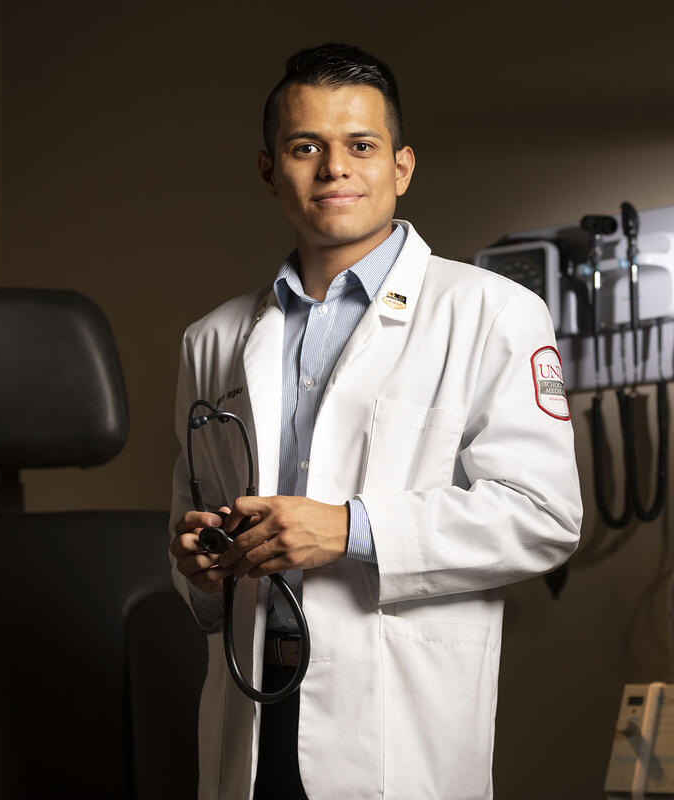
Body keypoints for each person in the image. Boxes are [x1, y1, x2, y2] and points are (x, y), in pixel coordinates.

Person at [167, 43, 582, 800]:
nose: (335, 168)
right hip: (250, 710)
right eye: (305, 147)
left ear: (401, 166)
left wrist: (350, 529)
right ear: (270, 171)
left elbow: (544, 515)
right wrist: (199, 568)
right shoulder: (212, 340)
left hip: (396, 714)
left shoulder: (490, 313)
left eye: (361, 145)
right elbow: (191, 559)